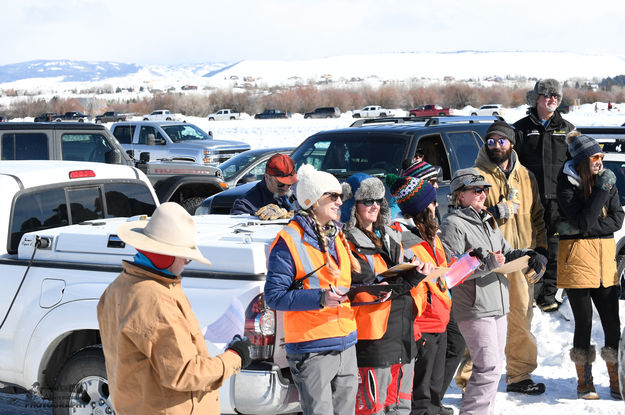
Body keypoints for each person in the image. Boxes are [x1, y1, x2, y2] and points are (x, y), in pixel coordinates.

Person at [97, 202, 251, 415]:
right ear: (166, 256)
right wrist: (234, 357)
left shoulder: (117, 288)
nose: (186, 264)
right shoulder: (157, 300)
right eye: (185, 257)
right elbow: (185, 373)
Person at [441, 168, 546, 415]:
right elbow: (452, 270)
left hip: (497, 302)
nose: (482, 194)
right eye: (476, 190)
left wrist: (527, 255)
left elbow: (506, 253)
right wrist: (488, 263)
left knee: (493, 369)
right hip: (473, 306)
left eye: (485, 189)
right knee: (487, 368)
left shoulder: (487, 219)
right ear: (460, 195)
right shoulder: (453, 224)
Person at [264, 164, 361, 415]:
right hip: (312, 348)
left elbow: (343, 285)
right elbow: (274, 297)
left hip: (346, 342)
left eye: (341, 197)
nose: (340, 202)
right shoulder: (289, 240)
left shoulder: (336, 234)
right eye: (333, 196)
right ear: (313, 200)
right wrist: (320, 298)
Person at [340, 173, 432, 415]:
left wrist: (416, 270)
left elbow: (398, 275)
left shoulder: (391, 235)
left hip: (403, 333)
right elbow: (369, 286)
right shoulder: (346, 242)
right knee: (373, 408)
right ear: (352, 205)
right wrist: (410, 277)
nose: (374, 206)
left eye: (379, 200)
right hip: (373, 339)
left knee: (401, 406)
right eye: (367, 201)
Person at [473, 121, 549, 395]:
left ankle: (519, 375)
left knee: (520, 318)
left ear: (511, 144)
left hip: (521, 260)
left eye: (500, 141)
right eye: (490, 141)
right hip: (487, 261)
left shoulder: (526, 177)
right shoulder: (475, 176)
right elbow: (465, 218)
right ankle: (472, 380)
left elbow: (538, 217)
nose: (495, 146)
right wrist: (494, 211)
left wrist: (540, 251)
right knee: (483, 321)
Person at [556, 131, 624, 400]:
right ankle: (584, 383)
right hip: (577, 261)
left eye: (602, 156)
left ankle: (617, 380)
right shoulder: (566, 184)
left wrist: (585, 227)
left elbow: (617, 220)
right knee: (583, 323)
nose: (600, 161)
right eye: (595, 156)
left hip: (605, 260)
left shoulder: (607, 179)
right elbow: (584, 221)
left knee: (612, 323)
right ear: (583, 159)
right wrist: (601, 191)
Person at [389, 176, 454, 415]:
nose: (437, 206)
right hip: (422, 324)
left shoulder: (432, 236)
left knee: (435, 391)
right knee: (421, 395)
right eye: (433, 203)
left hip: (440, 320)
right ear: (423, 208)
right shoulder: (403, 239)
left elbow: (441, 272)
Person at [514, 78, 575, 312]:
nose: (553, 100)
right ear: (537, 98)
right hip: (529, 202)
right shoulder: (520, 129)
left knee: (554, 250)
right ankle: (529, 292)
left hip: (558, 203)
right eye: (548, 95)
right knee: (529, 248)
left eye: (556, 97)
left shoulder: (567, 128)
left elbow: (578, 164)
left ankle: (548, 296)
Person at [231, 153, 297, 219]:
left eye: (289, 183)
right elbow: (238, 222)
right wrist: (257, 217)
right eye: (280, 183)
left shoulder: (299, 193)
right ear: (267, 177)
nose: (285, 188)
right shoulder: (245, 204)